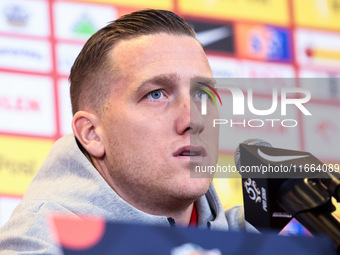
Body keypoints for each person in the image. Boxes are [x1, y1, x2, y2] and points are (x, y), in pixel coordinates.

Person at [0, 9, 250, 254]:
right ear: (92, 133)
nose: (194, 120)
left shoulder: (264, 237)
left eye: (201, 94)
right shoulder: (42, 246)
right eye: (156, 95)